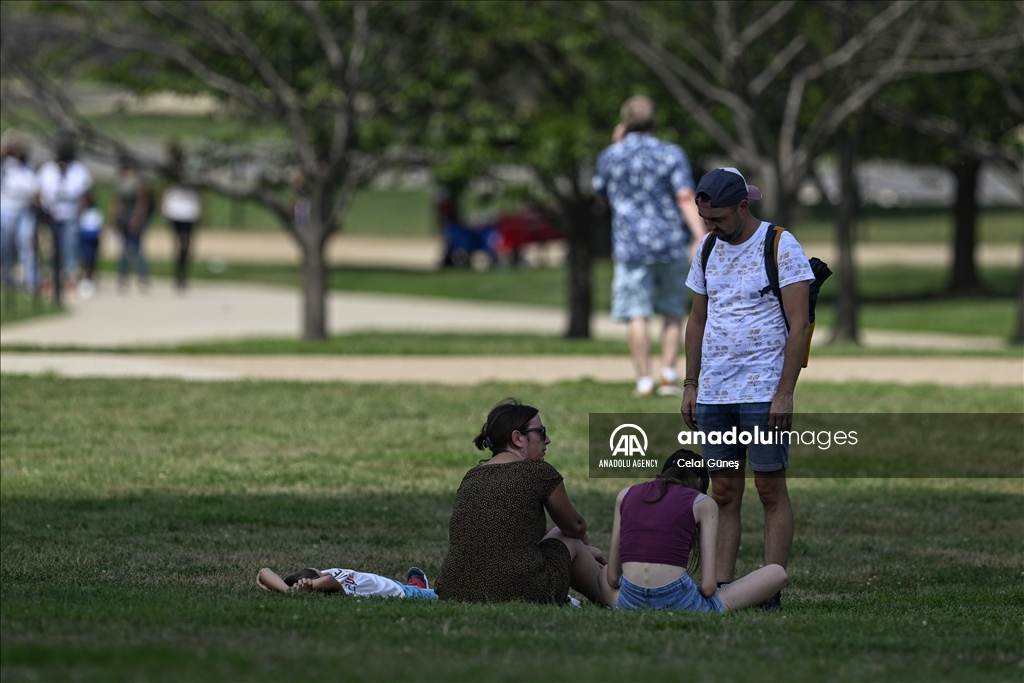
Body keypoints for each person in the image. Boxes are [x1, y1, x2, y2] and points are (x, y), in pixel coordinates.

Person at [680, 167, 815, 610]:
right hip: (716, 393)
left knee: (770, 490)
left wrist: (784, 392)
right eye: (705, 220)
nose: (711, 227)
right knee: (722, 490)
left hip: (762, 391)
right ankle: (719, 587)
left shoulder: (780, 244)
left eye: (718, 218)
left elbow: (799, 326)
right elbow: (696, 320)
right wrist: (691, 384)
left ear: (743, 206)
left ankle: (769, 589)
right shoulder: (706, 248)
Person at [434, 398, 615, 606]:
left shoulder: (472, 476)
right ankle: (615, 602)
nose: (548, 441)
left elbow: (514, 528)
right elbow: (576, 527)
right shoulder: (538, 472)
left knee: (557, 535)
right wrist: (586, 551)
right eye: (542, 432)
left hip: (455, 590)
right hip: (521, 591)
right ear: (518, 438)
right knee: (570, 539)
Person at [592, 95, 707, 398]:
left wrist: (617, 144)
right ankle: (668, 375)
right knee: (672, 311)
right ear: (654, 122)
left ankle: (644, 380)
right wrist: (700, 235)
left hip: (630, 246)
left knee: (636, 313)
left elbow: (599, 190)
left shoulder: (611, 155)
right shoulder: (671, 153)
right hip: (670, 242)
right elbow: (685, 196)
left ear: (624, 122)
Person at [605, 451, 787, 613]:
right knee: (776, 572)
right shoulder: (701, 502)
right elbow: (708, 588)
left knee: (601, 571)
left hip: (630, 599)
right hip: (678, 600)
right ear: (699, 483)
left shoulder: (625, 494)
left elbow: (612, 579)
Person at [37, 137, 92, 289]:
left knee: (70, 245)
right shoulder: (47, 169)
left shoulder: (78, 170)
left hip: (70, 215)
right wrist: (44, 209)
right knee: (51, 247)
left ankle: (70, 275)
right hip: (51, 215)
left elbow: (84, 193)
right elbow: (40, 191)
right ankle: (53, 275)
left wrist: (79, 210)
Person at [0, 130, 39, 291]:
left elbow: (36, 189)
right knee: (6, 246)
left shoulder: (29, 167)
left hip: (26, 211)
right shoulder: (5, 164)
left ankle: (31, 281)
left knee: (26, 246)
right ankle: (6, 278)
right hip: (7, 210)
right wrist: (9, 141)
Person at [160, 144, 202, 292]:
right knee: (179, 243)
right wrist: (165, 208)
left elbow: (200, 192)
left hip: (189, 212)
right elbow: (166, 189)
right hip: (176, 211)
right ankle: (178, 275)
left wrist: (201, 211)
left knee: (187, 244)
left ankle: (182, 273)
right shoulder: (171, 173)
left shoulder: (191, 172)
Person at [257, 566, 436, 600]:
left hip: (391, 584)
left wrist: (287, 591)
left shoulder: (326, 575)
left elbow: (263, 571)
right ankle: (417, 587)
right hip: (404, 593)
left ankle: (416, 585)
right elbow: (328, 581)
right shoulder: (331, 583)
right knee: (451, 594)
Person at [110, 156, 152, 293]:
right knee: (124, 248)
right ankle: (123, 277)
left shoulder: (138, 182)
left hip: (136, 217)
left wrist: (137, 218)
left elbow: (142, 202)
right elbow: (117, 201)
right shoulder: (120, 181)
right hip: (123, 217)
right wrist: (114, 217)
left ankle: (143, 278)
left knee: (137, 248)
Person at [76, 198, 103, 299]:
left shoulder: (95, 212)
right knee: (83, 259)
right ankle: (83, 278)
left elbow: (99, 226)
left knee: (91, 260)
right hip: (83, 238)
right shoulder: (81, 212)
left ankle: (90, 278)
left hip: (93, 239)